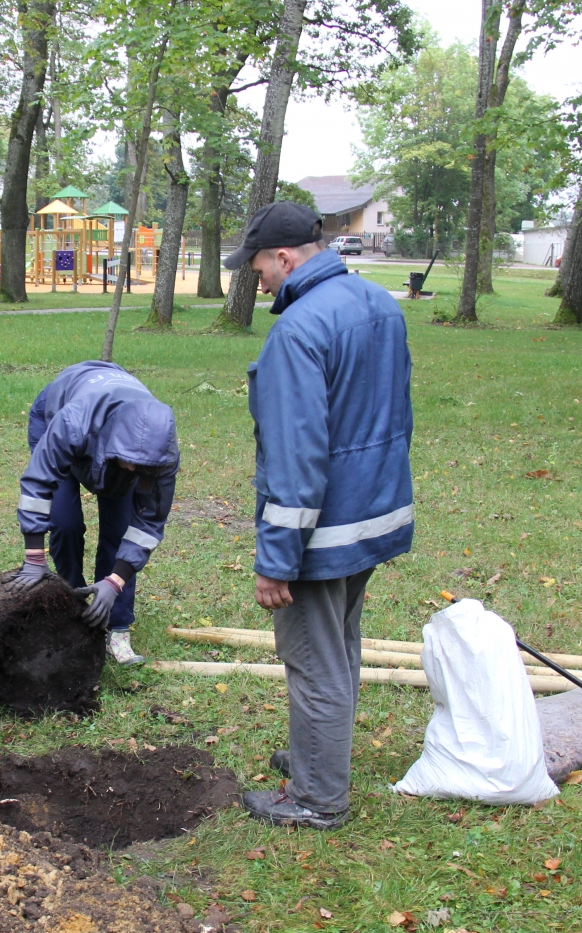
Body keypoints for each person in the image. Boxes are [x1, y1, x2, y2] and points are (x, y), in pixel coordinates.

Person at [229, 201, 414, 830]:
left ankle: (317, 797)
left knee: (313, 659)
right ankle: (316, 758)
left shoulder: (299, 330)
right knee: (342, 644)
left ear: (284, 257)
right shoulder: (378, 304)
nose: (256, 282)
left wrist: (276, 560)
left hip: (322, 528)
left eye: (257, 267)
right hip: (372, 513)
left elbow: (296, 454)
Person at [12, 361, 179, 665]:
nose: (134, 470)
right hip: (57, 414)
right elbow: (37, 484)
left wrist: (115, 581)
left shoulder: (158, 454)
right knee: (65, 523)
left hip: (114, 446)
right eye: (130, 462)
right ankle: (70, 604)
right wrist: (34, 558)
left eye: (141, 467)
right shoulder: (72, 423)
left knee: (119, 531)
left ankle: (116, 626)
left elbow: (148, 523)